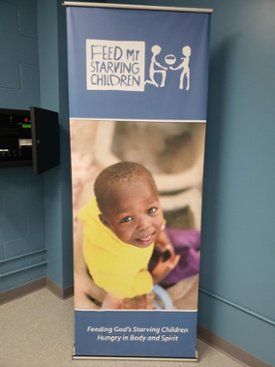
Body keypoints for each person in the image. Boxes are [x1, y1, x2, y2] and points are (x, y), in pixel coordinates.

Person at [77, 161, 180, 309]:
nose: (145, 225)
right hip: (125, 275)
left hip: (135, 251)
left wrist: (161, 231)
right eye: (127, 219)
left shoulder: (110, 206)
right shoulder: (113, 269)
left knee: (185, 243)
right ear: (106, 222)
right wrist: (156, 276)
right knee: (184, 264)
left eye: (151, 210)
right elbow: (125, 290)